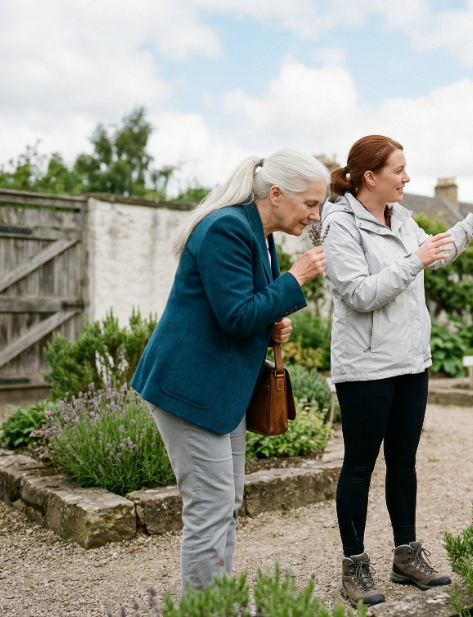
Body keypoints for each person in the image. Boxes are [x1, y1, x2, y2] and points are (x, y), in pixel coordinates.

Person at [131, 151, 330, 591]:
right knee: (210, 506)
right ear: (276, 194)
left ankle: (217, 600)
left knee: (226, 501)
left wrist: (273, 321)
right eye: (311, 204)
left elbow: (241, 311)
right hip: (189, 388)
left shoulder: (260, 234)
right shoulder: (226, 228)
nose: (315, 215)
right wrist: (294, 281)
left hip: (221, 391)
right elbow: (237, 315)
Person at [322, 135, 473, 606]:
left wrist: (470, 224)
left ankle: (406, 556)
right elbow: (359, 293)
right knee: (360, 464)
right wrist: (412, 260)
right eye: (399, 170)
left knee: (404, 461)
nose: (407, 178)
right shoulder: (340, 225)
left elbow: (434, 254)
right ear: (370, 177)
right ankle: (354, 565)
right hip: (365, 367)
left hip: (409, 361)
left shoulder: (400, 217)